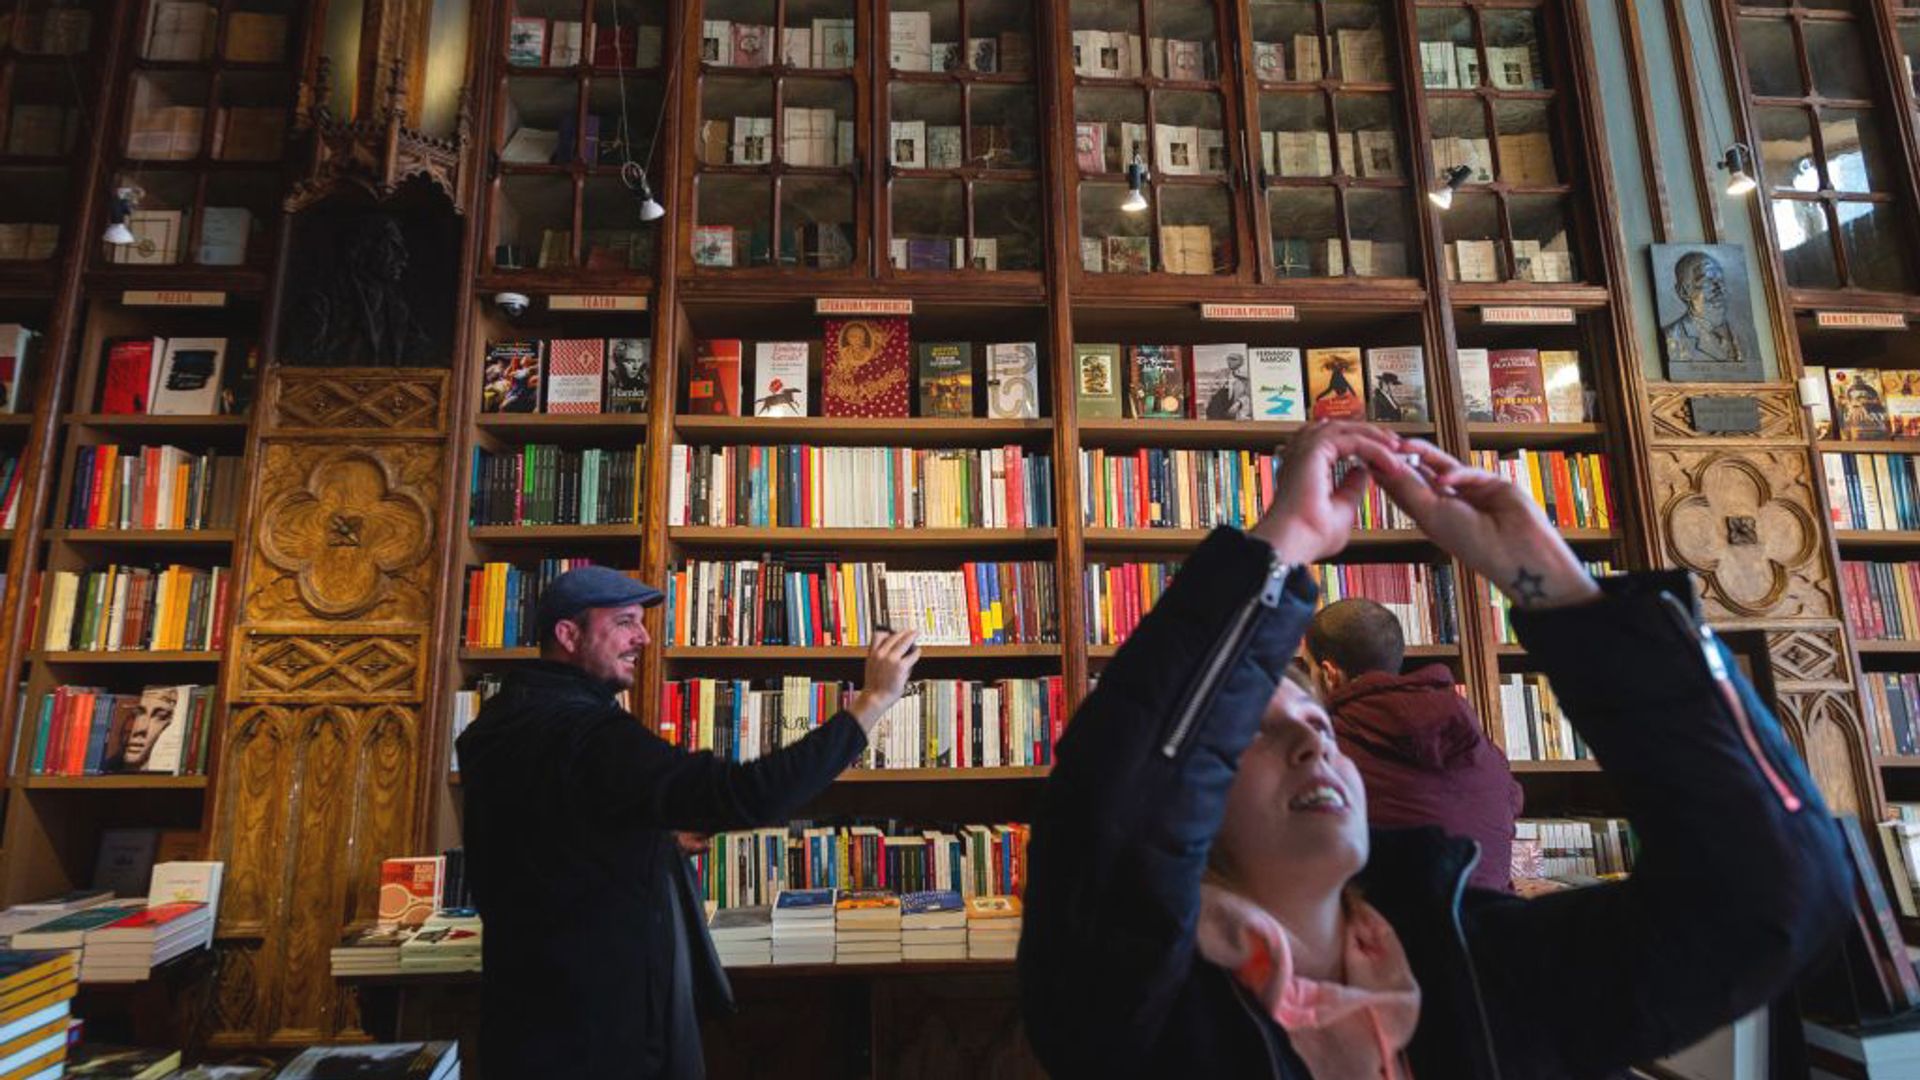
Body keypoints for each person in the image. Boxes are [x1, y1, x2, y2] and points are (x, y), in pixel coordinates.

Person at [1020, 420, 1849, 1078]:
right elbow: (1115, 812)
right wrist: (1285, 542)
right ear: (1195, 807)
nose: (1313, 745)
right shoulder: (1136, 1002)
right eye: (1256, 734)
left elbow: (1777, 889)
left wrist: (1553, 586)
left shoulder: (1482, 972)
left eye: (1319, 726)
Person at [457, 566, 920, 1079]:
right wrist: (872, 702)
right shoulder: (591, 736)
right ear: (569, 635)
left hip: (517, 1022)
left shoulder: (492, 727)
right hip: (599, 1034)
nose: (644, 637)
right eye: (626, 622)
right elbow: (749, 794)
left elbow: (551, 837)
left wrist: (649, 839)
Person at [1305, 598, 1522, 893]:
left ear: (1329, 675)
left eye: (1308, 669)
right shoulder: (1485, 750)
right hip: (1484, 929)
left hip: (1384, 933)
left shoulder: (1324, 755)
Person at [1661, 250, 1744, 368]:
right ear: (1684, 292)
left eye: (1720, 281)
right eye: (1708, 281)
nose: (1720, 289)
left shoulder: (1740, 335)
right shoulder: (1673, 337)